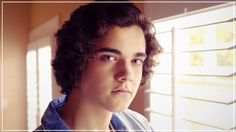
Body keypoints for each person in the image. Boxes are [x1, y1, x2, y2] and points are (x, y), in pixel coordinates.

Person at [35, 1, 162, 131]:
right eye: (109, 58)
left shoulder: (141, 126)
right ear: (75, 60)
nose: (128, 75)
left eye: (136, 61)